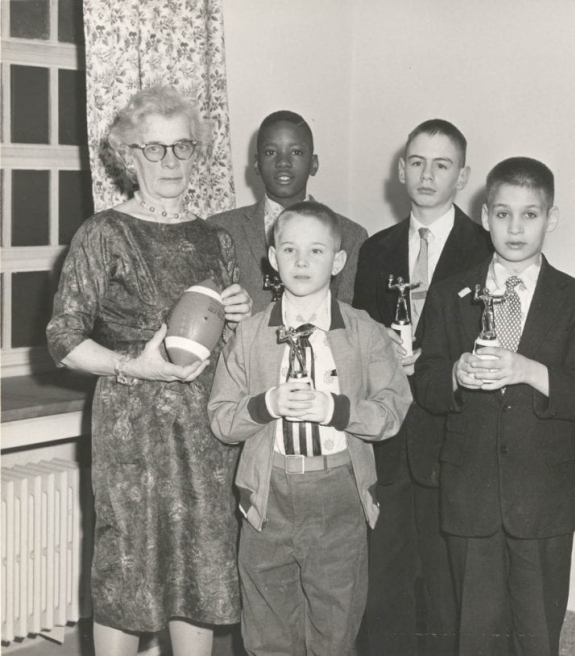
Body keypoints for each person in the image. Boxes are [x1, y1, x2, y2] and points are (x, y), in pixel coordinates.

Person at [46, 85, 252, 656]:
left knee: (200, 566)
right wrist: (134, 366)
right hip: (131, 425)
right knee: (128, 570)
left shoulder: (215, 239)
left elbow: (223, 345)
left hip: (205, 431)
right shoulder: (103, 233)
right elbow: (62, 339)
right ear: (128, 155)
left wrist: (237, 317)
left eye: (181, 148)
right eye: (153, 149)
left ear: (197, 155)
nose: (169, 162)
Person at [208, 201, 412, 655]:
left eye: (316, 251)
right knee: (266, 625)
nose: (301, 262)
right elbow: (221, 418)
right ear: (272, 258)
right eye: (290, 250)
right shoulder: (251, 334)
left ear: (338, 261)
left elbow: (392, 410)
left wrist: (336, 410)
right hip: (268, 493)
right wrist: (265, 405)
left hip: (337, 490)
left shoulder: (363, 331)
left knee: (335, 623)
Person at [415, 157, 575, 655]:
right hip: (470, 491)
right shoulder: (451, 293)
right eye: (502, 214)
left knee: (538, 635)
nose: (515, 228)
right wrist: (454, 373)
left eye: (530, 215)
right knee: (474, 633)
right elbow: (425, 382)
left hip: (543, 498)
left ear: (551, 218)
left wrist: (528, 371)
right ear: (485, 213)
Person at [352, 119, 492, 654]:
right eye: (416, 162)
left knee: (446, 583)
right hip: (388, 437)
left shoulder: (486, 248)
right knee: (383, 578)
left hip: (452, 437)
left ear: (463, 176)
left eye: (442, 164)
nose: (427, 174)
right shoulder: (377, 249)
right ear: (400, 169)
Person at [210, 110, 367, 311]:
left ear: (314, 164)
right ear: (257, 164)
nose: (283, 162)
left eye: (296, 152)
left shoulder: (351, 236)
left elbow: (350, 320)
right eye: (270, 152)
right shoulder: (221, 229)